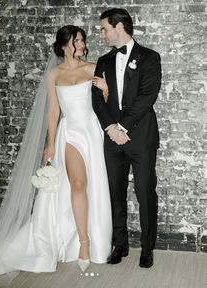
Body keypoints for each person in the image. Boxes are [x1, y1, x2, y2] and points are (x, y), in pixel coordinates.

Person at [0, 25, 112, 284]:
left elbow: (109, 103)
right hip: (70, 134)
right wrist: (50, 143)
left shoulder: (94, 68)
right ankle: (84, 243)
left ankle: (89, 236)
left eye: (82, 40)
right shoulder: (53, 75)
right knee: (78, 184)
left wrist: (105, 88)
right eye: (76, 41)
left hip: (92, 133)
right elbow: (53, 113)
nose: (81, 45)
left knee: (94, 187)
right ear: (63, 46)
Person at [92, 8, 161, 268]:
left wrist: (122, 126)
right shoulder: (102, 61)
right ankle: (119, 245)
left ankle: (147, 248)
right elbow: (96, 99)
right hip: (112, 138)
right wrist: (111, 128)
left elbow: (147, 97)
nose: (102, 34)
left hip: (141, 137)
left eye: (104, 29)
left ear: (119, 26)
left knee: (144, 192)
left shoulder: (150, 58)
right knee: (114, 193)